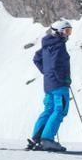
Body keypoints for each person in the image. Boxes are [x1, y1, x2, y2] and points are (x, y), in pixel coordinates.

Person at [28, 20, 73, 151]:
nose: (68, 35)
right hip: (59, 84)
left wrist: (46, 72)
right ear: (58, 32)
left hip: (49, 84)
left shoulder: (47, 45)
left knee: (49, 109)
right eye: (66, 31)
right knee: (60, 110)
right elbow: (55, 65)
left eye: (69, 31)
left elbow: (37, 58)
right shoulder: (58, 46)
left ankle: (36, 138)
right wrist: (64, 79)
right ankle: (47, 140)